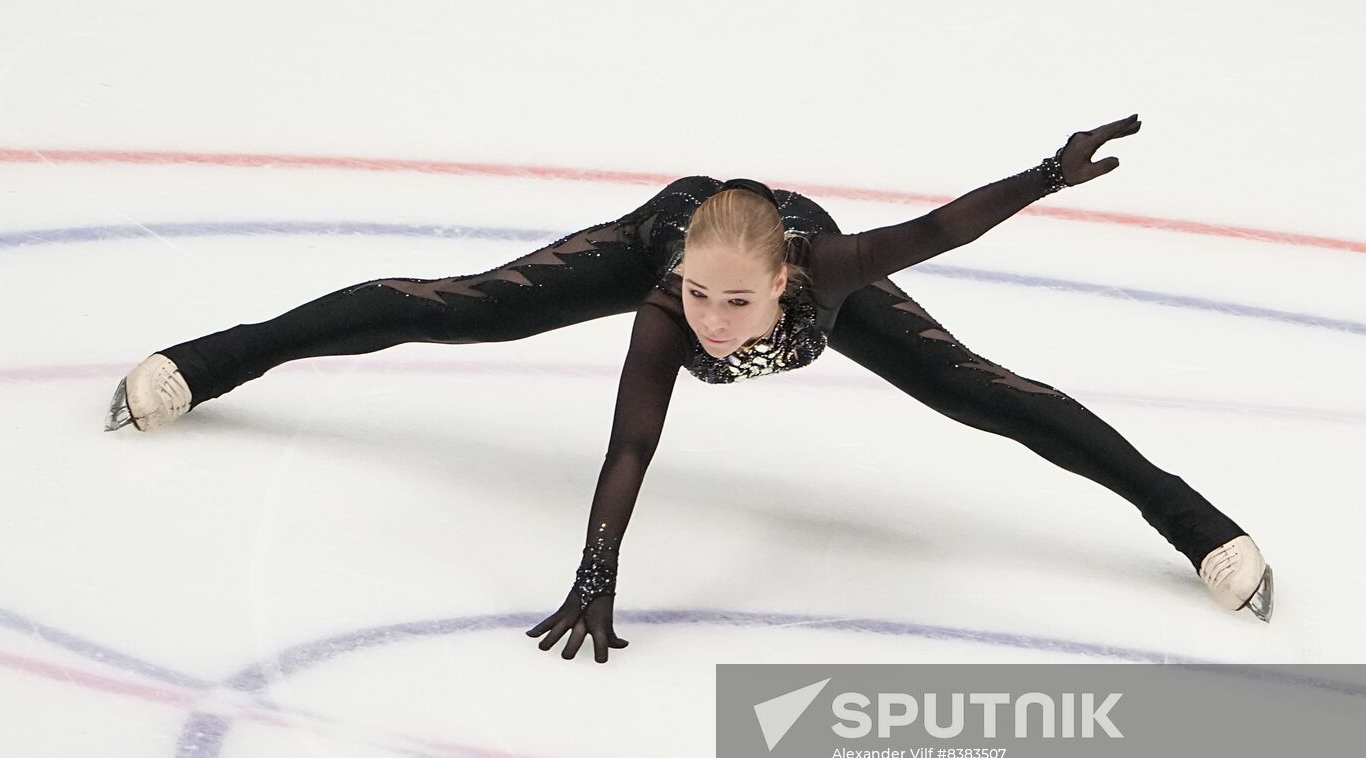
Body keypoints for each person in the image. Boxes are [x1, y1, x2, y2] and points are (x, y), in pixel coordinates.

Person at [104, 113, 1273, 663]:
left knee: (988, 393)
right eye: (695, 303)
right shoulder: (664, 300)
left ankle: (1201, 528)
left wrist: (1043, 172)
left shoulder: (833, 272)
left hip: (774, 239)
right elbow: (629, 449)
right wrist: (594, 577)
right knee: (440, 308)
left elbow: (938, 227)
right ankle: (202, 363)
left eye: (733, 306)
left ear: (783, 288)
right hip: (663, 223)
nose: (711, 326)